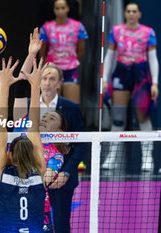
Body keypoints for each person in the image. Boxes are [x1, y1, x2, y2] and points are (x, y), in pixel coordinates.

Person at [13, 28, 86, 233]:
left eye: (51, 78)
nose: (46, 82)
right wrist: (31, 55)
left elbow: (80, 144)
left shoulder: (70, 110)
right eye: (43, 78)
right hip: (25, 185)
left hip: (57, 182)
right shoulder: (25, 118)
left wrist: (65, 174)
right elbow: (19, 85)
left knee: (61, 225)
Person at [101, 2, 159, 172]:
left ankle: (147, 158)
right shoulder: (116, 31)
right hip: (121, 73)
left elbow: (153, 58)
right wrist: (105, 79)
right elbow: (110, 55)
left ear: (139, 14)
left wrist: (155, 82)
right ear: (125, 14)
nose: (132, 14)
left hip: (140, 74)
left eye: (135, 11)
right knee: (118, 118)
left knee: (143, 117)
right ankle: (112, 156)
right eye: (129, 11)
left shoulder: (148, 32)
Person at [0, 56, 47, 232]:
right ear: (33, 154)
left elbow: (1, 126)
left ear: (9, 154)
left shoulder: (2, 174)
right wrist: (35, 86)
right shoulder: (40, 173)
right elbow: (34, 129)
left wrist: (3, 86)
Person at [39, 0, 88, 104]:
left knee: (72, 106)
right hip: (52, 69)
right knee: (51, 106)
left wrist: (73, 60)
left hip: (71, 69)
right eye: (57, 8)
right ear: (53, 10)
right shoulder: (46, 28)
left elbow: (81, 48)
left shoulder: (78, 26)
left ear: (68, 8)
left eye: (62, 8)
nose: (60, 11)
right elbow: (42, 50)